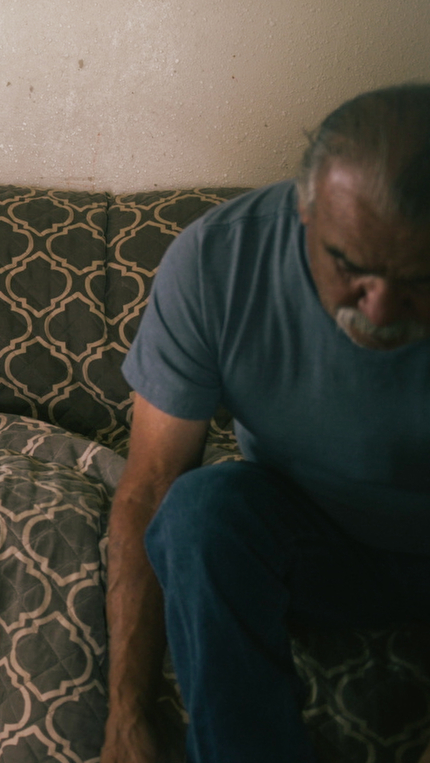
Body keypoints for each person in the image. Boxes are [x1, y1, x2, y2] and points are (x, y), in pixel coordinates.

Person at [101, 85, 430, 762]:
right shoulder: (217, 260)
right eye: (352, 266)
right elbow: (154, 483)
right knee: (198, 511)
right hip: (314, 539)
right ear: (306, 210)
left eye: (421, 278)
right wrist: (127, 717)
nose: (383, 305)